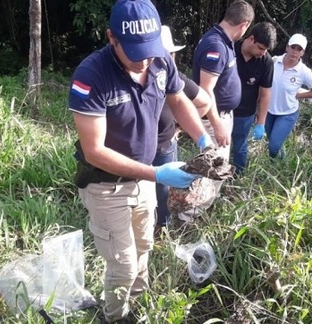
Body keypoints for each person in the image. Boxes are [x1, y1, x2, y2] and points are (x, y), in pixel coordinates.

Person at [67, 1, 213, 322]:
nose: (144, 59)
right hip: (105, 184)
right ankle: (116, 316)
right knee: (123, 264)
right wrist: (158, 172)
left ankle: (137, 302)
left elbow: (179, 99)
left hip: (144, 181)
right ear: (111, 38)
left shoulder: (160, 61)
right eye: (135, 52)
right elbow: (94, 150)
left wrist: (203, 139)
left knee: (144, 246)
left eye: (149, 50)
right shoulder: (92, 76)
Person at [179, 0, 254, 223]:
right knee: (212, 169)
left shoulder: (224, 40)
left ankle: (200, 211)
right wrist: (218, 124)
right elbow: (206, 90)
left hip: (222, 116)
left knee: (216, 171)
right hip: (213, 120)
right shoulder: (216, 45)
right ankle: (187, 218)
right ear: (244, 24)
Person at [153, 25, 211, 235]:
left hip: (164, 146)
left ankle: (163, 228)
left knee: (163, 193)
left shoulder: (177, 79)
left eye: (169, 54)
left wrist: (179, 128)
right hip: (138, 149)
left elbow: (205, 102)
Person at [266, 33, 312, 160]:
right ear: (287, 47)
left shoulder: (303, 71)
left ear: (303, 53)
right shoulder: (274, 62)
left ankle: (280, 164)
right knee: (272, 143)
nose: (295, 52)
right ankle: (278, 164)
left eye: (299, 49)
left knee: (274, 146)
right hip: (269, 110)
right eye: (293, 47)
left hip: (288, 112)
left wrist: (300, 95)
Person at [231, 22, 277, 174]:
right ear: (251, 39)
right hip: (223, 110)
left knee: (239, 147)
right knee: (218, 147)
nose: (263, 53)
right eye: (261, 48)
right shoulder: (230, 49)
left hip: (245, 113)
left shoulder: (266, 62)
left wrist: (261, 123)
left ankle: (237, 177)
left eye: (266, 50)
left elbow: (265, 93)